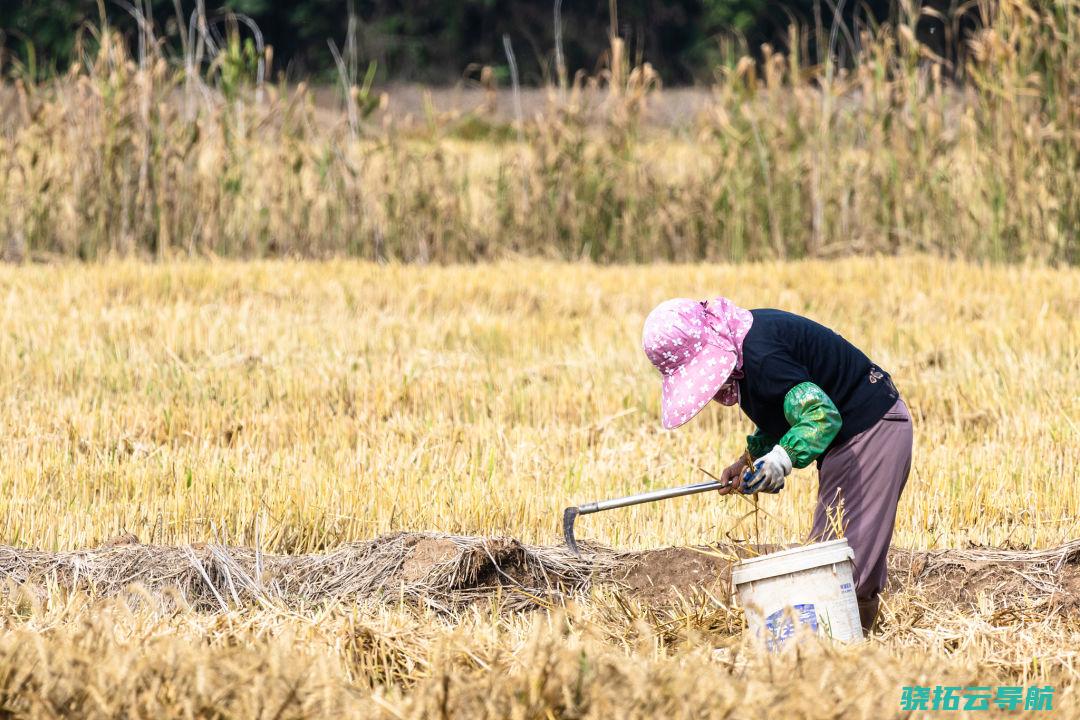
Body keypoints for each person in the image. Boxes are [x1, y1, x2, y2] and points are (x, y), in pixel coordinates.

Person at [641, 297, 913, 633]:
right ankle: (851, 646)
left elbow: (820, 415)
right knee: (834, 558)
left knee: (838, 565)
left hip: (871, 430)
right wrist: (750, 460)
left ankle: (845, 655)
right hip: (854, 437)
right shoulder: (746, 349)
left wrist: (781, 460)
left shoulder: (761, 355)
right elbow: (782, 410)